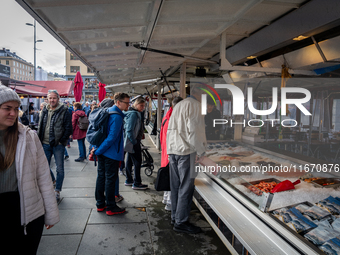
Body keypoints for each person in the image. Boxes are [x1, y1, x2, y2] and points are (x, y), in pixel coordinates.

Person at [0, 85, 59, 254]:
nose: (13, 113)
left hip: (28, 212)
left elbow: (43, 177)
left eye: (16, 108)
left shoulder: (28, 137)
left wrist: (51, 213)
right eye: (7, 108)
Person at [166, 87, 207, 234]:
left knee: (176, 186)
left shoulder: (179, 105)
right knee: (186, 188)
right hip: (187, 151)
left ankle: (175, 217)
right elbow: (194, 132)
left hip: (174, 150)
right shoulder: (194, 105)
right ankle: (181, 222)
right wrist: (201, 151)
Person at [93, 93, 129, 215]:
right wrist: (98, 150)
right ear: (118, 102)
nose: (128, 105)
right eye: (126, 102)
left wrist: (98, 150)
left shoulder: (107, 111)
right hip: (111, 153)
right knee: (110, 179)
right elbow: (112, 137)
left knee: (101, 177)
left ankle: (100, 204)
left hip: (103, 152)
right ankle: (111, 207)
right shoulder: (117, 116)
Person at [37, 90, 73, 202]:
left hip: (58, 145)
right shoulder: (45, 109)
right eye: (50, 98)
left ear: (58, 99)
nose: (52, 100)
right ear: (47, 99)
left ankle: (57, 190)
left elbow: (68, 128)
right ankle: (53, 180)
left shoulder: (64, 110)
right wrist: (39, 140)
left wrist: (62, 141)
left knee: (60, 169)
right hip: (45, 143)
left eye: (54, 98)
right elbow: (40, 125)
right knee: (44, 167)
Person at [160, 97, 183, 211]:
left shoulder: (166, 117)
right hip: (171, 154)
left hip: (166, 152)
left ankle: (166, 199)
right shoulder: (173, 119)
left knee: (168, 177)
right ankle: (170, 204)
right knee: (172, 180)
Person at [123, 97, 148, 190]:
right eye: (141, 105)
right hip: (133, 142)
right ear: (136, 104)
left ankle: (129, 180)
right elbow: (129, 129)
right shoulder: (134, 114)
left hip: (131, 141)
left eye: (144, 106)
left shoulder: (132, 113)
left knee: (129, 161)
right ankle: (137, 183)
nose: (143, 107)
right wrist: (134, 141)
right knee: (137, 162)